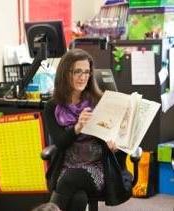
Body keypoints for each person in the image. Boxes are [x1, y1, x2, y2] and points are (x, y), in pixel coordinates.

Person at [43, 48, 133, 211]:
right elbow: (60, 144)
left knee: (70, 180)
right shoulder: (52, 107)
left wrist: (115, 145)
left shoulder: (100, 102)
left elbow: (118, 139)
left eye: (86, 72)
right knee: (78, 198)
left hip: (98, 167)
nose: (83, 77)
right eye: (77, 71)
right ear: (65, 74)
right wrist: (77, 128)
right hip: (67, 166)